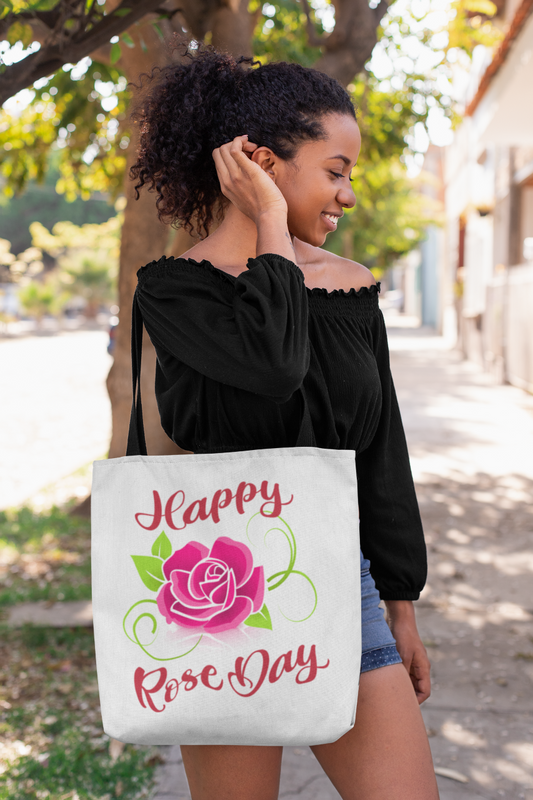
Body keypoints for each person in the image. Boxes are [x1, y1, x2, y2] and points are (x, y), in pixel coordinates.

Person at [129, 44, 440, 800]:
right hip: (210, 602)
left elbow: (380, 453)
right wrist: (270, 220)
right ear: (260, 163)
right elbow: (273, 366)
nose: (349, 196)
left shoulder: (352, 289)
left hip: (342, 585)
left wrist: (399, 605)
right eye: (335, 171)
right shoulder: (176, 295)